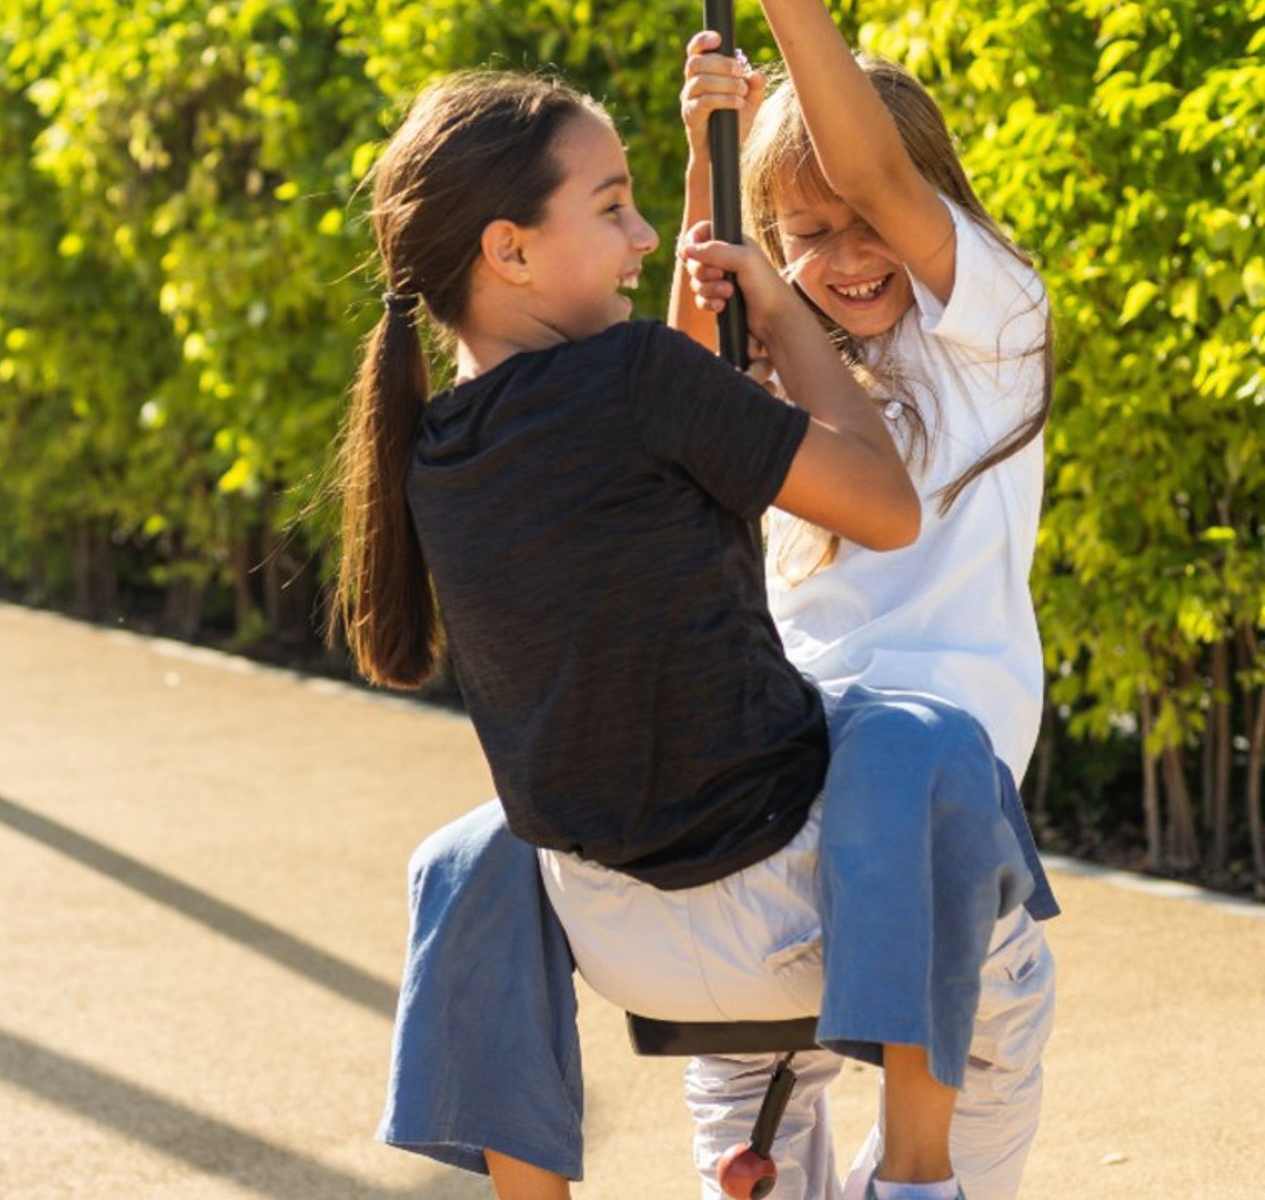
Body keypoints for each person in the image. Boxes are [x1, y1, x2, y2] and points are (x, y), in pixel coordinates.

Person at [344, 70, 1049, 1200]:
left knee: (471, 853)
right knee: (928, 751)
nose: (641, 240)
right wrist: (777, 320)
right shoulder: (637, 376)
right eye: (611, 208)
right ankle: (917, 1179)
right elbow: (879, 498)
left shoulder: (431, 450)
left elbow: (668, 442)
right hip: (785, 876)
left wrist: (697, 172)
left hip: (616, 928)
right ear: (510, 251)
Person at [666, 1, 1059, 1194]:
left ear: (927, 198)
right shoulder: (784, 371)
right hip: (821, 788)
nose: (844, 254)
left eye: (864, 221)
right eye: (804, 233)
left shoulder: (991, 330)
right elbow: (673, 380)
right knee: (779, 1072)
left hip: (923, 797)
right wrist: (702, 162)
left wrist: (788, 18)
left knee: (935, 1054)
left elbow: (871, 172)